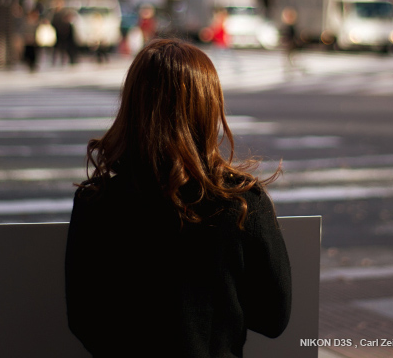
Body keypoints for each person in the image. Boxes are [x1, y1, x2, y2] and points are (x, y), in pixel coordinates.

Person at [65, 39, 291, 358]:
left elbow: (83, 319)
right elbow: (273, 318)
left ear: (132, 106)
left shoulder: (96, 202)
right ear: (209, 109)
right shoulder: (241, 202)